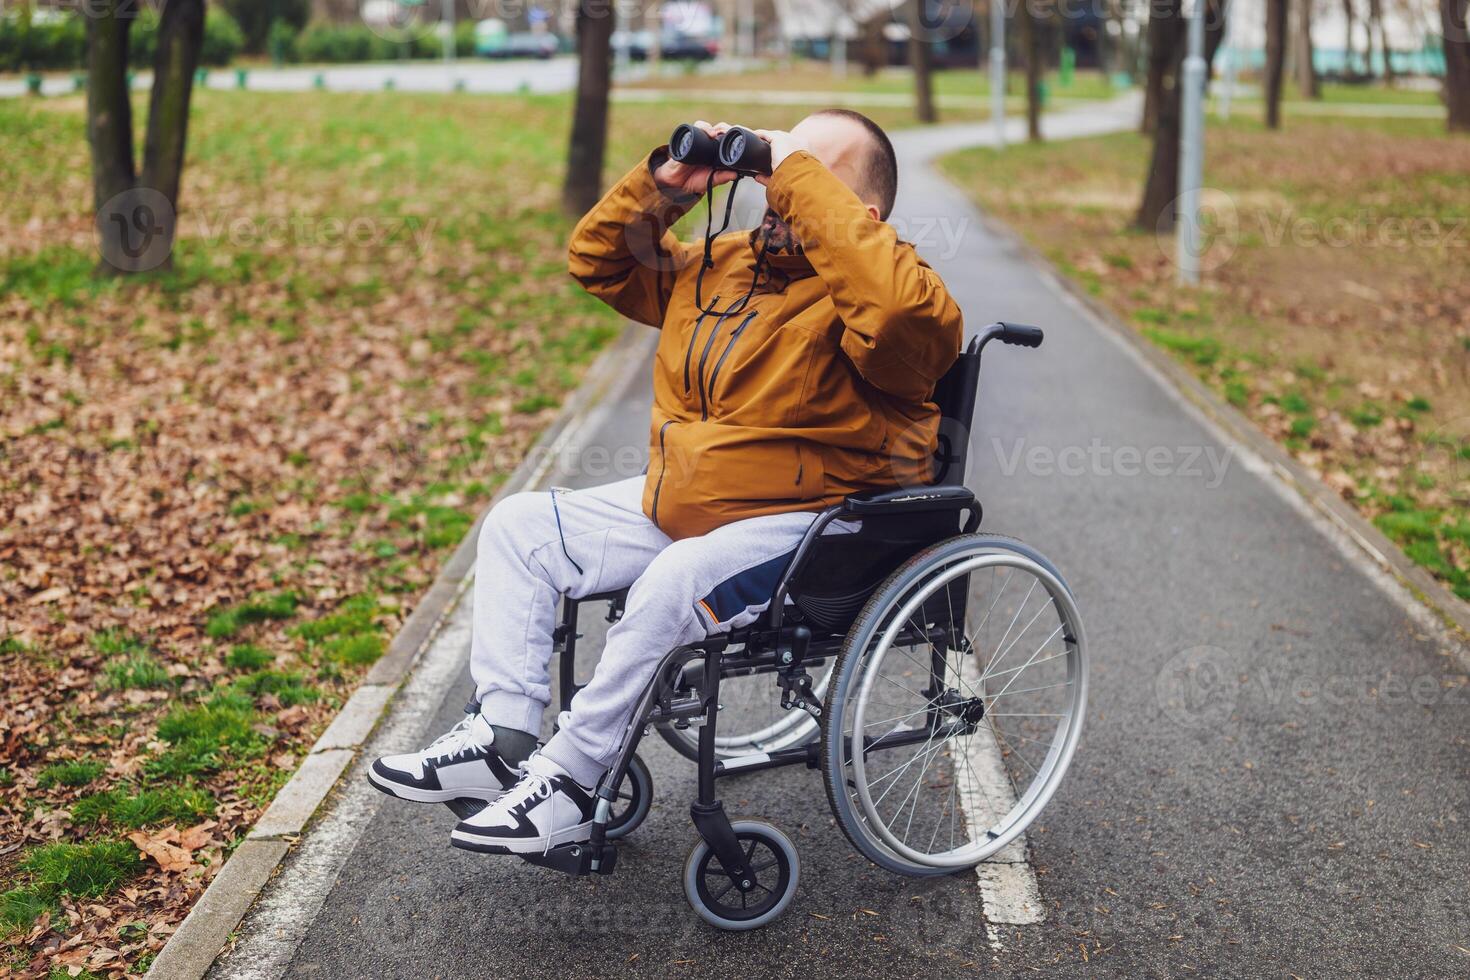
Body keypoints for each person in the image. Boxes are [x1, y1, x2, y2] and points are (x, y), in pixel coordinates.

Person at [368, 110, 964, 855]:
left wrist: (797, 173)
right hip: (692, 502)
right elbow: (600, 262)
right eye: (782, 160)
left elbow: (900, 309)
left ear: (861, 214)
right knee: (520, 526)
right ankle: (503, 737)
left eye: (809, 171)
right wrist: (668, 187)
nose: (781, 185)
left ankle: (577, 779)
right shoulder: (726, 266)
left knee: (677, 578)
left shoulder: (899, 302)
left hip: (820, 521)